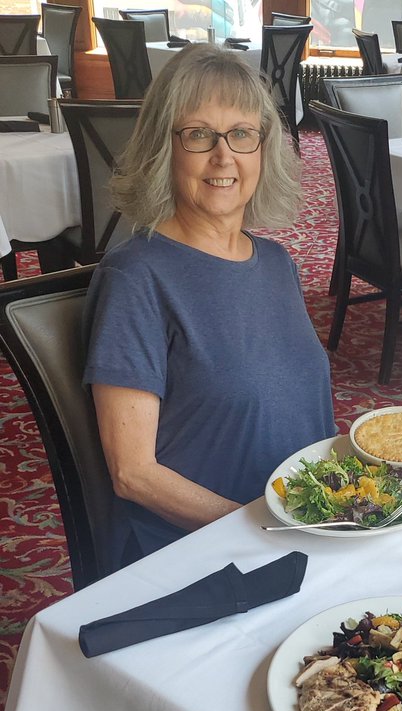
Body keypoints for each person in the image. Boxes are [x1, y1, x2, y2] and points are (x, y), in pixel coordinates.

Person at [83, 43, 336, 571]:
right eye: (199, 135)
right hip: (208, 556)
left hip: (304, 534)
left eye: (242, 134)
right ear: (162, 147)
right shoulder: (137, 276)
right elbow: (134, 472)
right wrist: (263, 528)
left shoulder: (276, 262)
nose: (225, 157)